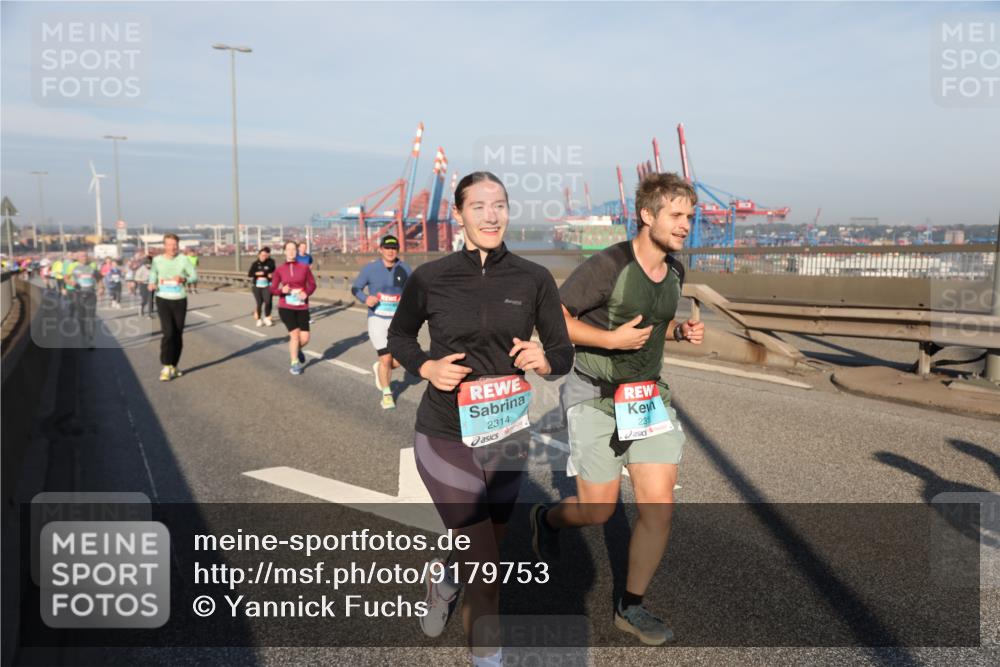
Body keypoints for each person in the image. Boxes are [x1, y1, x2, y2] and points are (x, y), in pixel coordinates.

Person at [388, 172, 573, 666]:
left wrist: (544, 358)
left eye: (500, 205)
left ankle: (443, 578)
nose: (491, 215)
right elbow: (400, 336)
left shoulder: (534, 278)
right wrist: (426, 365)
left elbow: (562, 350)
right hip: (445, 433)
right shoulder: (431, 277)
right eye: (479, 206)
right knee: (487, 568)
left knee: (488, 544)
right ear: (459, 214)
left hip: (508, 435)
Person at [529, 172, 705, 646]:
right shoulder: (606, 266)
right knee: (598, 510)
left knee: (659, 506)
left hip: (646, 398)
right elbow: (556, 322)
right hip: (594, 395)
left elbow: (648, 326)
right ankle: (546, 519)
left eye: (690, 216)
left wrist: (677, 334)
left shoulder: (674, 271)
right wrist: (609, 340)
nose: (685, 224)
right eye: (676, 215)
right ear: (648, 216)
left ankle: (631, 606)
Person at [351, 235, 411, 409]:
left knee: (400, 360)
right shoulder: (370, 268)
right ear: (380, 250)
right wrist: (365, 298)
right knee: (386, 358)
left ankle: (381, 369)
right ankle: (387, 394)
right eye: (387, 248)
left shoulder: (405, 269)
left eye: (393, 248)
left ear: (397, 250)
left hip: (398, 320)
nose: (390, 251)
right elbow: (356, 287)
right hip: (377, 319)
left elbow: (414, 289)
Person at [149, 234, 198, 381]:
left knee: (178, 334)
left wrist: (184, 279)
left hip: (179, 300)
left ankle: (174, 366)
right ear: (164, 245)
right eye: (169, 244)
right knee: (168, 333)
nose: (172, 247)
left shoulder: (184, 259)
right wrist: (152, 282)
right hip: (163, 298)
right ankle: (165, 365)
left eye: (175, 245)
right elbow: (153, 273)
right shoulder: (157, 260)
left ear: (178, 245)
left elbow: (194, 276)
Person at [270, 240, 316, 375]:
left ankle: (297, 350)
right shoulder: (280, 269)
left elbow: (312, 285)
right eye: (288, 249)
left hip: (302, 306)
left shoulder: (304, 267)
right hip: (286, 306)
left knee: (305, 338)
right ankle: (294, 363)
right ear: (284, 251)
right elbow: (272, 289)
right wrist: (281, 291)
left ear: (296, 252)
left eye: (293, 249)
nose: (291, 252)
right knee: (295, 335)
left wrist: (306, 293)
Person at [66, 251, 100, 348]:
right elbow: (66, 278)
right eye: (82, 256)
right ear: (78, 257)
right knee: (81, 317)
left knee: (91, 317)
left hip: (91, 294)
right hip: (78, 294)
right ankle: (83, 336)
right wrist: (70, 282)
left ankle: (90, 339)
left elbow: (99, 277)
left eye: (86, 255)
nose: (85, 257)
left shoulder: (93, 265)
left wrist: (101, 287)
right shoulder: (72, 266)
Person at [247, 247, 276, 327]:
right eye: (262, 255)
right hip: (257, 286)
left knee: (268, 301)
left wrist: (268, 274)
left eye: (265, 255)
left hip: (266, 285)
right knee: (259, 303)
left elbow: (273, 271)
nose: (263, 257)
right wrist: (257, 274)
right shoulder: (255, 264)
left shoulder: (270, 262)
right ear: (259, 255)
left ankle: (267, 318)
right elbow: (250, 274)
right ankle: (259, 319)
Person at [296, 242, 315, 324]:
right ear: (299, 248)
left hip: (306, 279)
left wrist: (310, 267)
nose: (304, 249)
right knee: (296, 298)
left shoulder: (308, 256)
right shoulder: (295, 257)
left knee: (305, 297)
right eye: (302, 247)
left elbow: (311, 263)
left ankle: (307, 318)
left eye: (305, 247)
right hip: (297, 280)